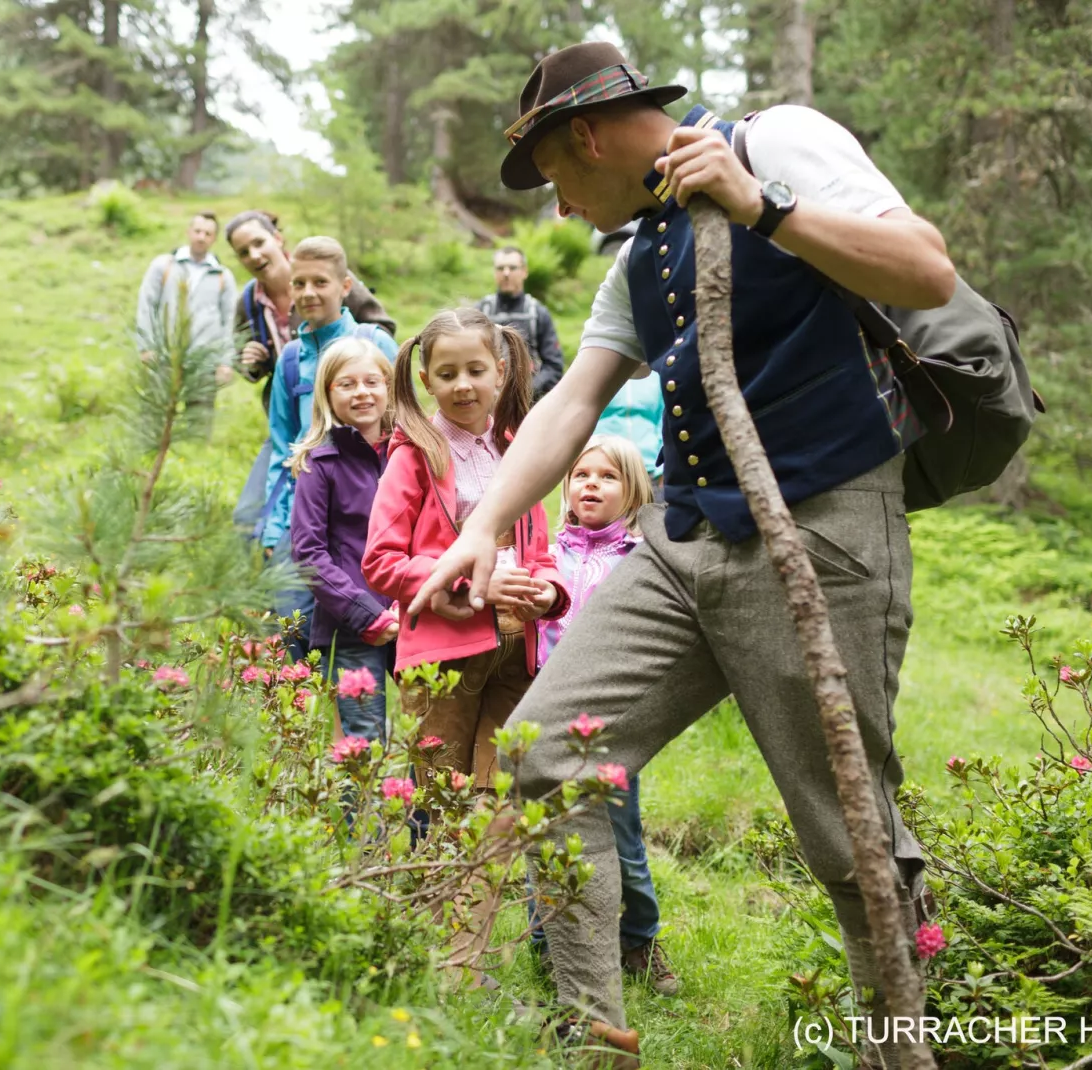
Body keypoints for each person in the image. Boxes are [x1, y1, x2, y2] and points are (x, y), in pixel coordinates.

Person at [408, 41, 957, 1067]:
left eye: (557, 177)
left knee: (849, 838)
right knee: (545, 751)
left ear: (585, 133)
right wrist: (479, 529)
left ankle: (902, 1047)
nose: (560, 209)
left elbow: (926, 266)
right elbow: (574, 400)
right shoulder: (637, 257)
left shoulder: (779, 140)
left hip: (818, 530)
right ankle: (593, 1035)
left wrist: (763, 209)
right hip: (680, 540)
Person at [362, 305, 570, 975]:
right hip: (444, 661)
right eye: (445, 373)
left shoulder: (518, 449)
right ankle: (434, 962)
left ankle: (461, 964)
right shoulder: (415, 455)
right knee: (446, 810)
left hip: (519, 656)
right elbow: (383, 561)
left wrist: (547, 593)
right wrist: (472, 590)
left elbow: (540, 550)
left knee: (497, 809)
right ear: (425, 377)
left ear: (500, 370)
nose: (461, 385)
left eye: (476, 370)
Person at [528, 435, 675, 996]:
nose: (591, 483)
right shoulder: (546, 552)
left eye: (608, 476)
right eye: (581, 474)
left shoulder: (641, 562)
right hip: (546, 710)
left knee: (621, 836)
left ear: (634, 491)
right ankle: (545, 942)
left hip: (611, 720)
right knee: (542, 833)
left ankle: (639, 937)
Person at [261, 237, 399, 662]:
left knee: (366, 630)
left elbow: (402, 418)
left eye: (319, 281)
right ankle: (304, 721)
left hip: (362, 514)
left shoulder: (373, 342)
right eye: (298, 283)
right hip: (303, 514)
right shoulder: (289, 360)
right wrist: (271, 526)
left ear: (345, 285)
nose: (307, 293)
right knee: (292, 626)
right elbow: (280, 444)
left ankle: (364, 717)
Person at [224, 210, 395, 531]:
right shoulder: (248, 300)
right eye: (243, 252)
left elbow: (380, 326)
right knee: (252, 520)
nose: (254, 255)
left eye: (258, 243)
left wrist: (353, 366)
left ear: (277, 239)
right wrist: (256, 363)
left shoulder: (322, 264)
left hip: (358, 418)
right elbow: (242, 358)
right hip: (297, 414)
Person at [288, 337, 400, 742]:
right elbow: (308, 554)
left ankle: (422, 810)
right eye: (347, 384)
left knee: (431, 737)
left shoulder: (412, 454)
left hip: (416, 617)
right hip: (353, 626)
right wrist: (366, 614)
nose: (362, 393)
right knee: (363, 741)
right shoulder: (319, 464)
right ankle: (361, 809)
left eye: (372, 381)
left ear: (389, 386)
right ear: (327, 394)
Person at [134, 212, 236, 380]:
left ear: (214, 239)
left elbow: (230, 320)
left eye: (208, 234)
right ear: (188, 232)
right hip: (163, 357)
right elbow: (147, 305)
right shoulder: (164, 265)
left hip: (204, 362)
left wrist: (225, 361)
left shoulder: (222, 276)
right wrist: (146, 347)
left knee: (201, 406)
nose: (201, 237)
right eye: (197, 231)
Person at [476, 247, 566, 401]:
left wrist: (525, 391)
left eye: (512, 268)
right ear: (494, 272)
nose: (506, 273)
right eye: (500, 268)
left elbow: (554, 367)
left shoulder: (537, 313)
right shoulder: (480, 312)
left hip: (528, 405)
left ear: (524, 272)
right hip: (487, 403)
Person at [594, 371, 665, 489]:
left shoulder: (657, 376)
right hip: (603, 464)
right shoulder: (597, 371)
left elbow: (664, 422)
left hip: (647, 467)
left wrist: (663, 468)